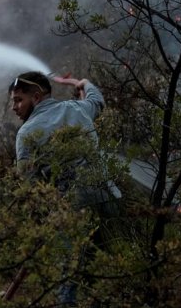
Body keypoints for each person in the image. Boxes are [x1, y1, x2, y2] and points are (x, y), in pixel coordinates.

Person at [8, 71, 121, 305]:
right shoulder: (78, 109)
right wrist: (86, 83)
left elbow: (29, 187)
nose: (14, 107)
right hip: (108, 201)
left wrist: (42, 224)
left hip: (71, 211)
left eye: (19, 100)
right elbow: (96, 101)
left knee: (70, 279)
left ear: (36, 97)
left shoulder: (26, 134)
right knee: (115, 273)